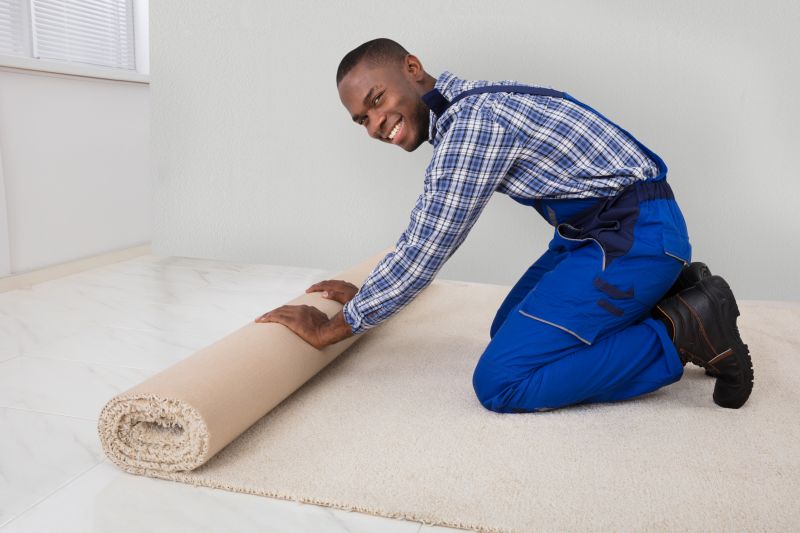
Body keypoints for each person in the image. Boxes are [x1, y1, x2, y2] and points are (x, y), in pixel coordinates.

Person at [256, 38, 754, 411]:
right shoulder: (465, 110)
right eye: (361, 119)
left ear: (413, 68)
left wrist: (333, 329)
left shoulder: (473, 126)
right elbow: (422, 235)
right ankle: (673, 293)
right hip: (600, 234)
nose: (374, 124)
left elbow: (426, 249)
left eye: (377, 100)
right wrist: (365, 293)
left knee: (502, 382)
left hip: (635, 237)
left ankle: (683, 331)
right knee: (505, 333)